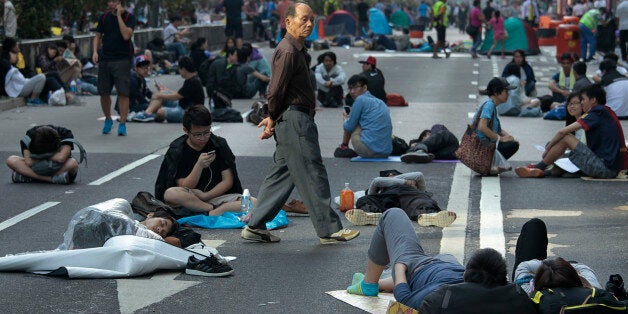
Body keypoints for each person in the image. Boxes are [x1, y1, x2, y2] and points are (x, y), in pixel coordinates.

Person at [242, 3, 360, 244]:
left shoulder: (298, 50)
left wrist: (273, 116)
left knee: (281, 176)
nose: (309, 24)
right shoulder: (288, 51)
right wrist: (272, 116)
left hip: (294, 119)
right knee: (311, 171)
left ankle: (254, 226)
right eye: (304, 19)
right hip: (295, 120)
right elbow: (275, 91)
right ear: (288, 22)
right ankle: (329, 229)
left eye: (312, 20)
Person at [344, 208, 538, 313]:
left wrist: (401, 268)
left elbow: (404, 297)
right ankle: (380, 282)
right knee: (445, 256)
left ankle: (369, 284)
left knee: (392, 215)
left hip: (417, 267)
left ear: (466, 274)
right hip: (440, 265)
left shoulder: (442, 296)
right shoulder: (513, 296)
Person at [515, 84, 628, 178]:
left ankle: (538, 167)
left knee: (566, 138)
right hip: (609, 167)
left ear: (593, 100)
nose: (582, 102)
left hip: (605, 169)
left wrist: (547, 150)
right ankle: (542, 172)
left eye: (583, 99)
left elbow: (562, 132)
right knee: (565, 157)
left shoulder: (596, 112)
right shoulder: (605, 111)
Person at [155, 105, 247, 217]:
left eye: (207, 132)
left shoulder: (218, 144)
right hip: (190, 200)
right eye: (197, 134)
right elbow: (184, 186)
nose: (203, 138)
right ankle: (212, 211)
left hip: (215, 197)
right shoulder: (178, 150)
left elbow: (228, 181)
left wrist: (205, 196)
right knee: (170, 194)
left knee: (252, 202)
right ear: (186, 131)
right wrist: (199, 165)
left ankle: (210, 212)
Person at [345, 171, 457, 228]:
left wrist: (397, 180)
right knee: (363, 200)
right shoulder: (381, 187)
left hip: (408, 194)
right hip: (387, 196)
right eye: (388, 177)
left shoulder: (413, 187)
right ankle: (370, 214)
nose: (391, 177)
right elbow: (377, 181)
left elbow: (419, 175)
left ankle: (430, 216)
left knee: (422, 202)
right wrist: (403, 181)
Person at [93, 0, 136, 136]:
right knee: (103, 92)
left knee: (123, 92)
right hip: (105, 59)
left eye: (115, 1)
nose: (111, 4)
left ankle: (122, 123)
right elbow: (97, 36)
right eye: (110, 1)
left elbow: (126, 35)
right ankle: (108, 119)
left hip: (122, 59)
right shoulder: (104, 17)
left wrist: (118, 16)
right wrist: (95, 51)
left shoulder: (129, 17)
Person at [133, 56, 204, 123]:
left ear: (183, 69)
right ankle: (147, 113)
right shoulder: (191, 79)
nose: (179, 71)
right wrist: (165, 90)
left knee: (160, 111)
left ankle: (151, 114)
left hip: (188, 112)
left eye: (179, 69)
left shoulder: (193, 81)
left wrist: (160, 95)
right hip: (182, 105)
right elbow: (180, 94)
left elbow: (177, 96)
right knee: (161, 95)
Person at [337, 75, 392, 158]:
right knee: (361, 121)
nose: (352, 91)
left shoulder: (360, 99)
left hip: (370, 152)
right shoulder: (380, 102)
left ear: (365, 87)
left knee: (351, 122)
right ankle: (348, 146)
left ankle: (344, 146)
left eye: (355, 88)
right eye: (350, 88)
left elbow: (349, 126)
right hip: (386, 152)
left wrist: (345, 119)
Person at [6, 125, 80, 184]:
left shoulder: (65, 134)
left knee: (73, 163)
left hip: (57, 167)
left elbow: (61, 158)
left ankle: (28, 177)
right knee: (11, 160)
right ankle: (51, 179)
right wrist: (51, 156)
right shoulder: (30, 136)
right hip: (36, 167)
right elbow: (29, 162)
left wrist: (39, 156)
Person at [474, 77, 520, 160]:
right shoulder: (489, 105)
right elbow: (481, 127)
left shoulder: (493, 106)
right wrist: (501, 139)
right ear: (496, 93)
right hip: (481, 146)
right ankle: (489, 164)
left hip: (486, 144)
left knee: (512, 142)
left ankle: (491, 163)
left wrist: (508, 136)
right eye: (506, 92)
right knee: (513, 145)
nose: (508, 94)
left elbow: (499, 130)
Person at [115, 55, 152, 119]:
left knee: (157, 103)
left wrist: (159, 96)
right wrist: (153, 104)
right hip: (127, 108)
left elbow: (148, 93)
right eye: (142, 68)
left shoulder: (142, 79)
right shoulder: (132, 80)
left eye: (146, 68)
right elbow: (140, 98)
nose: (145, 70)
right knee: (152, 107)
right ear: (136, 68)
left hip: (134, 104)